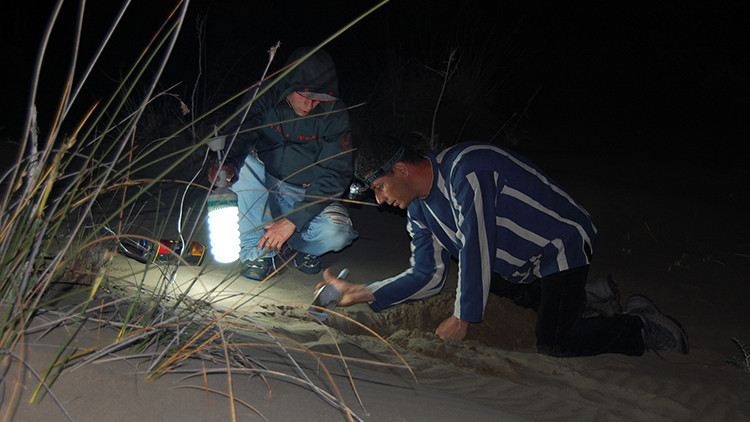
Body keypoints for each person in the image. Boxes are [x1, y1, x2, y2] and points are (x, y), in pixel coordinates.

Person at [316, 136, 688, 357]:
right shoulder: (419, 211)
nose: (380, 200)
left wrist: (462, 318)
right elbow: (428, 275)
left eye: (379, 187)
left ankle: (640, 325)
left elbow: (477, 242)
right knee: (488, 281)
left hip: (560, 242)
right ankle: (582, 297)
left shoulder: (467, 167)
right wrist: (362, 292)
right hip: (521, 263)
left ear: (401, 170)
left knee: (556, 342)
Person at [209, 47, 358, 280]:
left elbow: (336, 173)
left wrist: (292, 221)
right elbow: (241, 133)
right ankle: (257, 253)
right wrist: (228, 163)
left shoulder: (335, 114)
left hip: (306, 193)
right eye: (304, 95)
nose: (309, 104)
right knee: (242, 166)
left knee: (337, 233)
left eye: (318, 98)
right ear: (288, 84)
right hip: (265, 184)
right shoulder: (264, 95)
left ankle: (301, 246)